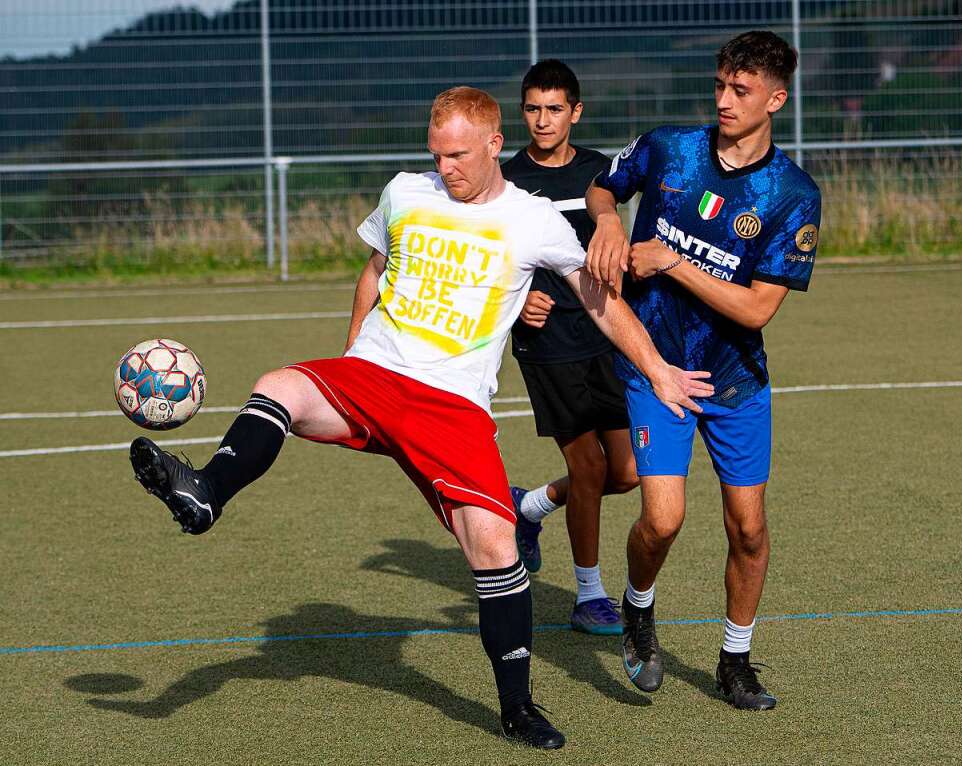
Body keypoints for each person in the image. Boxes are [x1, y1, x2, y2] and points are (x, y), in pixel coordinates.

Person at [128, 86, 713, 750]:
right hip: (375, 375)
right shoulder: (405, 191)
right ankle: (205, 493)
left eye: (459, 154)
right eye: (437, 154)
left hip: (453, 405)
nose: (447, 167)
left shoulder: (534, 219)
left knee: (495, 552)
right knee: (279, 385)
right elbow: (374, 271)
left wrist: (659, 368)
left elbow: (601, 301)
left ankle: (517, 708)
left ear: (494, 144)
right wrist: (351, 356)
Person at [585, 31, 821, 709]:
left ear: (776, 98)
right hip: (654, 365)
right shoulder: (668, 147)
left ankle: (735, 659)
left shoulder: (793, 195)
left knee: (748, 526)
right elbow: (604, 188)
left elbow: (755, 310)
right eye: (719, 85)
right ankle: (637, 608)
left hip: (736, 383)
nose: (723, 99)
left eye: (740, 90)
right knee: (661, 520)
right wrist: (606, 222)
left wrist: (672, 261)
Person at [501, 59, 638, 636]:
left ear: (575, 113)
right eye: (533, 108)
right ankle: (589, 596)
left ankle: (528, 508)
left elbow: (618, 244)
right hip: (546, 340)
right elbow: (485, 259)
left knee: (627, 472)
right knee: (586, 466)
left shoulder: (599, 175)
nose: (542, 120)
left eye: (554, 109)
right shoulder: (502, 181)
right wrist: (516, 302)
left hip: (604, 333)